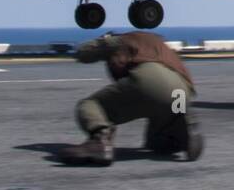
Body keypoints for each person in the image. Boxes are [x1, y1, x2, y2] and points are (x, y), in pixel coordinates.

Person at [59, 31, 202, 166]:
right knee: (156, 143)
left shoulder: (124, 40)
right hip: (182, 91)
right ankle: (183, 130)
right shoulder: (159, 44)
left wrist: (105, 40)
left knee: (89, 105)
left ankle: (99, 141)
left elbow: (82, 53)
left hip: (151, 82)